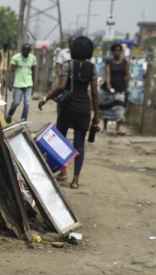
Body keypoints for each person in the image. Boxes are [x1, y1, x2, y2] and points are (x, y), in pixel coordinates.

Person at [38, 36, 99, 190]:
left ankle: (63, 171)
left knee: (60, 140)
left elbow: (61, 86)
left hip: (68, 108)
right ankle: (75, 180)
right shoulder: (92, 68)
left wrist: (46, 99)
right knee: (79, 145)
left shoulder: (68, 65)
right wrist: (97, 115)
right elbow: (95, 93)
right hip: (83, 108)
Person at [99, 43, 130, 136]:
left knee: (120, 108)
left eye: (119, 51)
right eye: (116, 50)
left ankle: (117, 128)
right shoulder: (109, 62)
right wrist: (108, 85)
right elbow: (107, 74)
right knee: (107, 107)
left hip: (120, 87)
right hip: (110, 88)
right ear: (113, 52)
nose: (118, 52)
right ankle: (104, 126)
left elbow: (126, 74)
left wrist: (127, 86)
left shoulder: (125, 62)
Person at [6, 43, 37, 123]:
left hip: (28, 83)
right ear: (22, 50)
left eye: (27, 50)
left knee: (27, 103)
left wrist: (33, 85)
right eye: (24, 50)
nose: (26, 52)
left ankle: (23, 120)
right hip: (18, 83)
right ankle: (9, 114)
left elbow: (33, 72)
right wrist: (9, 82)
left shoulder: (33, 58)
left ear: (30, 51)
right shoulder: (16, 57)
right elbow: (11, 71)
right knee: (16, 102)